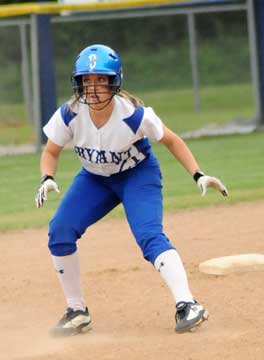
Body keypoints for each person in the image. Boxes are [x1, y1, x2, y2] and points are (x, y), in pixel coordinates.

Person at [35, 44, 228, 337]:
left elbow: (172, 140)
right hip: (95, 179)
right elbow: (51, 151)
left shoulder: (134, 114)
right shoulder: (70, 114)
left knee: (149, 235)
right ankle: (76, 311)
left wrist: (198, 174)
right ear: (78, 83)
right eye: (87, 80)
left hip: (138, 175)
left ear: (115, 81)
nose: (94, 87)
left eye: (101, 79)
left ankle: (187, 304)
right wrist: (46, 177)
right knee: (59, 230)